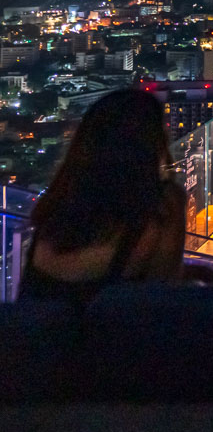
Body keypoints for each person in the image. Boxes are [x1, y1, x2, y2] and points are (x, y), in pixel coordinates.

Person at [19, 90, 185, 305]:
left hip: (37, 336)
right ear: (153, 143)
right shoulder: (162, 206)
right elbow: (163, 295)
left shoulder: (59, 204)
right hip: (109, 335)